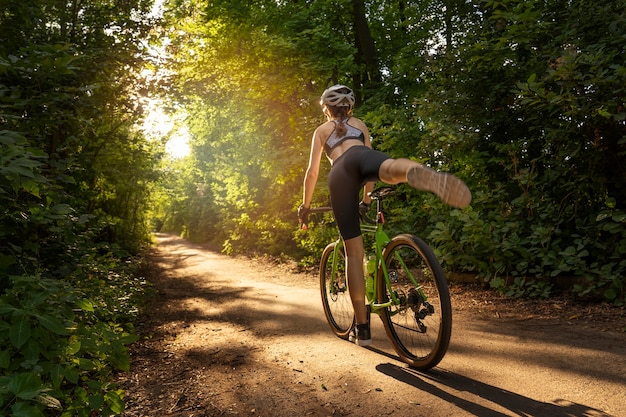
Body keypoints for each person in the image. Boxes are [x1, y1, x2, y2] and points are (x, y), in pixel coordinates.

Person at [298, 85, 471, 346]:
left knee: (354, 255)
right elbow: (368, 178)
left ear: (326, 109)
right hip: (364, 157)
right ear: (350, 107)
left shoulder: (322, 131)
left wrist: (305, 206)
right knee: (390, 168)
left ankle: (363, 329)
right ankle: (416, 172)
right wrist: (366, 200)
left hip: (341, 175)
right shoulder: (360, 126)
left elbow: (312, 172)